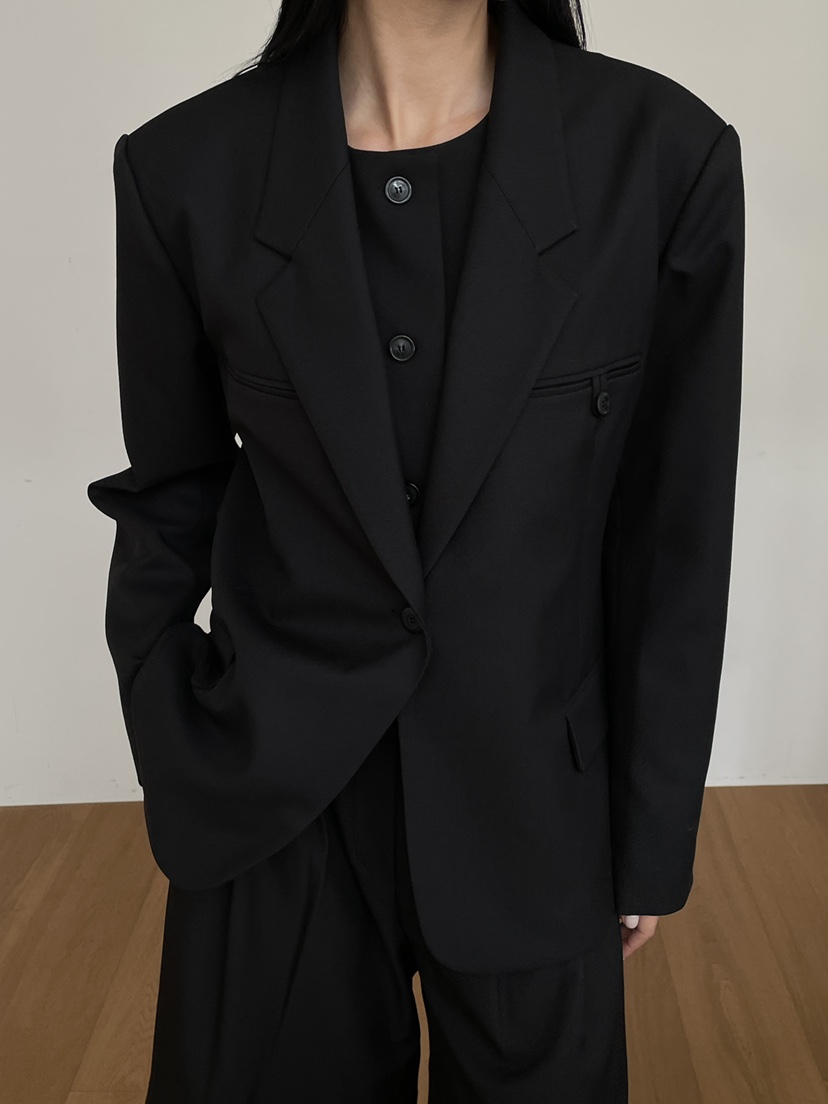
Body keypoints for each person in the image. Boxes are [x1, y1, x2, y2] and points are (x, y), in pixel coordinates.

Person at [86, 0, 745, 1099]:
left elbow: (675, 530)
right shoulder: (184, 169)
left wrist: (650, 833)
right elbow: (167, 494)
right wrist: (176, 734)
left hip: (540, 813)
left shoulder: (664, 157)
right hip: (276, 810)